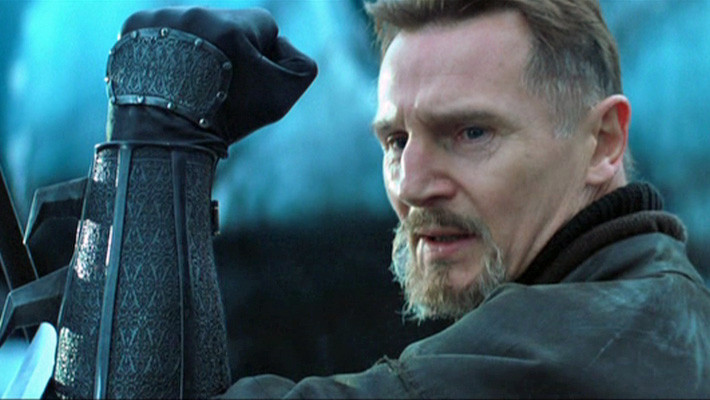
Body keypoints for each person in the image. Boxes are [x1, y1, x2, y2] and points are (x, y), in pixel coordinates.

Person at [10, 0, 707, 398]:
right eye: (396, 140)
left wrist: (158, 127)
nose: (412, 183)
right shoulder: (646, 306)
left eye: (471, 132)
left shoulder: (574, 352)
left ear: (603, 142)